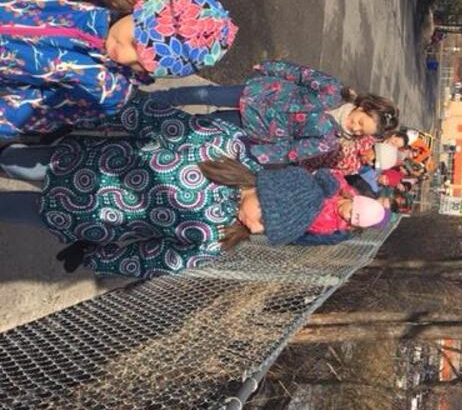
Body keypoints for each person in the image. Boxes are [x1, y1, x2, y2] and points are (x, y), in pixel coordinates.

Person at [0, 95, 386, 277]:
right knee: (13, 160)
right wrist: (100, 109)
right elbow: (157, 119)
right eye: (266, 218)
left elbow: (153, 258)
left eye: (266, 231)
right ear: (268, 191)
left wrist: (96, 255)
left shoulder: (217, 239)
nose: (257, 229)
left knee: (9, 209)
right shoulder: (222, 146)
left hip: (80, 217)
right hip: (80, 164)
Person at [0, 0, 238, 137]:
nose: (124, 57)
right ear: (142, 10)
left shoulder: (108, 91)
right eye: (135, 43)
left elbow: (25, 113)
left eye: (140, 66)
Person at [146, 58, 399, 166]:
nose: (355, 128)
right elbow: (301, 74)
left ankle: (162, 126)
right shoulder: (332, 90)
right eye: (360, 122)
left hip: (256, 127)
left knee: (208, 124)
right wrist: (271, 67)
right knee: (204, 94)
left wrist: (260, 154)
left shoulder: (329, 140)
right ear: (363, 107)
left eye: (361, 132)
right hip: (260, 93)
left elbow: (292, 151)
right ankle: (152, 100)